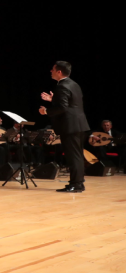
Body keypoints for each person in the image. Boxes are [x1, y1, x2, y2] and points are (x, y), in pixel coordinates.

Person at [39, 61, 90, 193]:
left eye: (53, 69)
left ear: (59, 72)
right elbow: (71, 103)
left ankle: (76, 184)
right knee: (77, 155)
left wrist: (46, 111)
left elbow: (63, 107)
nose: (51, 71)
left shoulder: (62, 86)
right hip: (79, 124)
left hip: (70, 125)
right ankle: (78, 183)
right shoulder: (74, 84)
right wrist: (53, 100)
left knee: (73, 156)